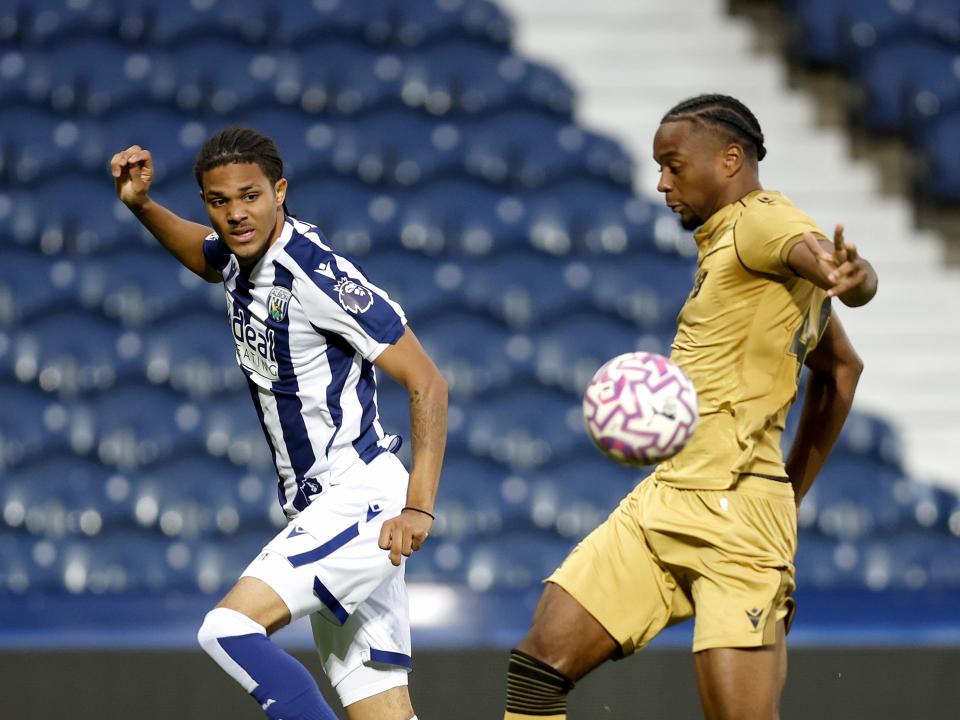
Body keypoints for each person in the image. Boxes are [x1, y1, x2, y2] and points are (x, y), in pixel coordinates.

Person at [502, 94, 878, 720]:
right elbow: (842, 368)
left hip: (736, 520)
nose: (661, 183)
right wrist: (791, 491)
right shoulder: (729, 246)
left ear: (730, 160)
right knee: (537, 669)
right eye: (660, 168)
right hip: (668, 496)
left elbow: (819, 256)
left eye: (674, 166)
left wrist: (854, 278)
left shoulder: (762, 221)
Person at [111, 127, 448, 720]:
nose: (236, 214)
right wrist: (142, 205)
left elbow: (427, 381)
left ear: (280, 192)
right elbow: (204, 256)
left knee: (228, 629)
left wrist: (418, 506)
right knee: (383, 713)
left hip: (360, 500)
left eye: (251, 196)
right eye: (219, 201)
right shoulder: (237, 255)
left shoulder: (317, 276)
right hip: (318, 509)